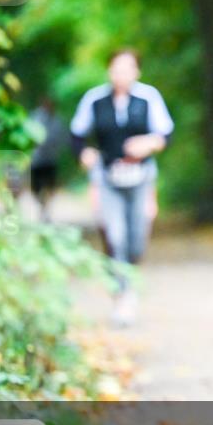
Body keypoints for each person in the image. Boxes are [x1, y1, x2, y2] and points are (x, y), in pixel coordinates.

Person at [70, 49, 174, 327]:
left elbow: (166, 134)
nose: (121, 75)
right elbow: (77, 135)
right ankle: (122, 294)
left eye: (127, 69)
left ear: (136, 72)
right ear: (109, 71)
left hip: (141, 177)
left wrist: (149, 143)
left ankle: (130, 282)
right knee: (114, 235)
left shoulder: (148, 98)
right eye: (116, 69)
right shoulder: (94, 100)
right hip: (107, 177)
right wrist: (85, 155)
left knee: (137, 237)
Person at [28, 96, 67, 222]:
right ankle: (42, 205)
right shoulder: (34, 117)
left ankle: (46, 207)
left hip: (51, 159)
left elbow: (62, 138)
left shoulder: (57, 120)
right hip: (36, 159)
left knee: (50, 185)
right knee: (36, 187)